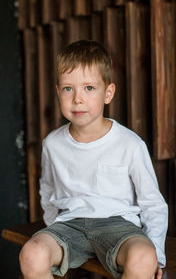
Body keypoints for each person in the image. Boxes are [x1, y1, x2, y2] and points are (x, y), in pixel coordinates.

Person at [19, 40, 168, 279]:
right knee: (31, 254)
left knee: (143, 257)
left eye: (89, 88)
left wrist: (157, 255)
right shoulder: (53, 144)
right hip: (70, 224)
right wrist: (53, 230)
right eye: (68, 88)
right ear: (58, 92)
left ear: (108, 93)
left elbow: (153, 204)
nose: (78, 99)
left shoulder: (130, 144)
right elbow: (47, 192)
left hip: (119, 226)